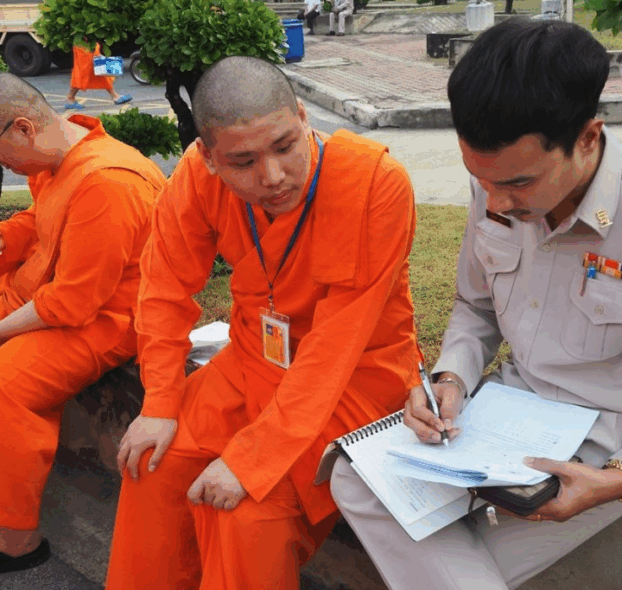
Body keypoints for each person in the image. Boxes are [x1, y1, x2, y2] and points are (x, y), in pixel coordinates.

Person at [330, 18, 622, 590]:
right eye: (480, 179)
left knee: (447, 558)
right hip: (497, 415)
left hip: (600, 441)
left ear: (588, 138)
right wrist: (451, 378)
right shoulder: (496, 182)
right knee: (354, 478)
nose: (497, 201)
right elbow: (476, 307)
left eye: (519, 184)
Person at [105, 55, 420, 590]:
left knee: (245, 514)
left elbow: (336, 346)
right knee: (152, 463)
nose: (273, 177)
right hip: (254, 356)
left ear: (303, 118)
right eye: (243, 162)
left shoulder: (374, 185)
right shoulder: (196, 177)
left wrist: (253, 459)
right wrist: (159, 401)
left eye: (285, 146)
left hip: (354, 379)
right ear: (209, 157)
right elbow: (162, 287)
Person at [0, 73, 165, 574]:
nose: (4, 168)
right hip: (42, 290)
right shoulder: (56, 154)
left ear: (22, 128)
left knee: (5, 385)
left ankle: (17, 540)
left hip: (108, 319)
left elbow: (73, 303)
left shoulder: (107, 182)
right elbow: (40, 220)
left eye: (0, 155)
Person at [65, 40, 132, 110]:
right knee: (84, 72)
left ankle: (115, 96)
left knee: (99, 71)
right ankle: (70, 97)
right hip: (83, 45)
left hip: (88, 43)